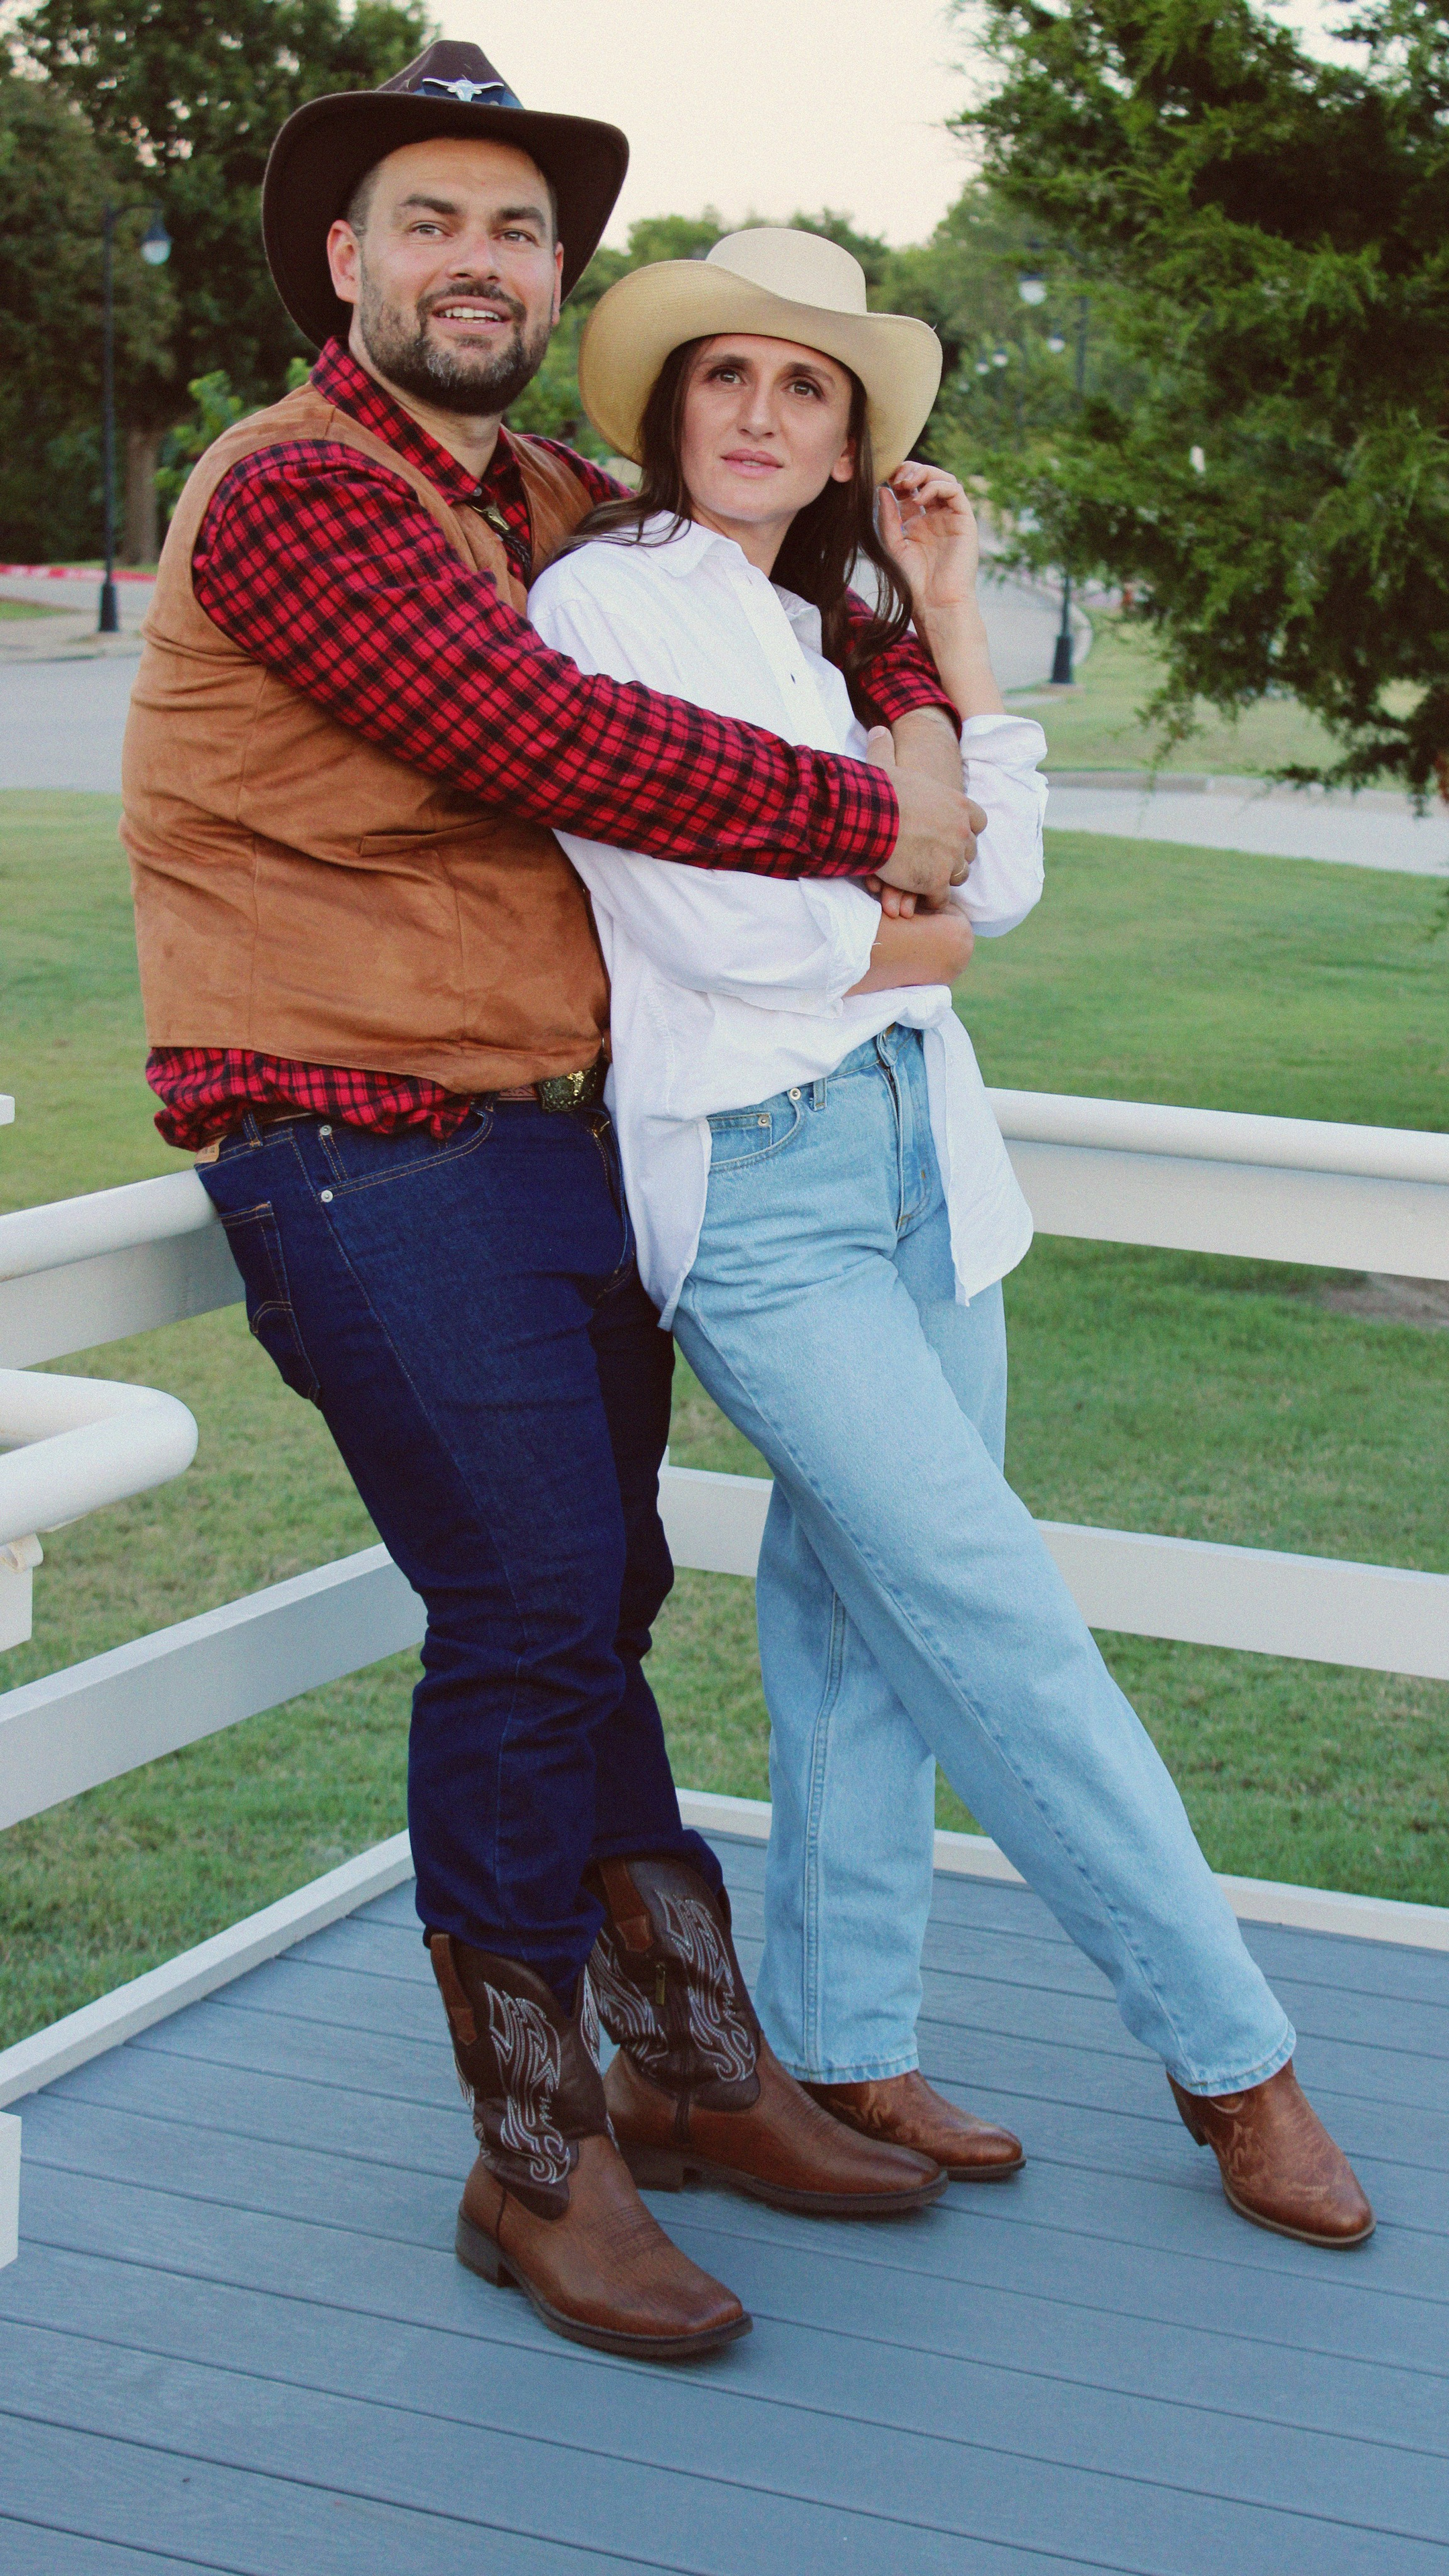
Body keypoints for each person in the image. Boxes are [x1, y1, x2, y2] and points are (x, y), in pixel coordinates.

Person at [123, 44, 979, 2367]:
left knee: (593, 1593)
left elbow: (813, 569)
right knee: (522, 1607)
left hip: (554, 1132)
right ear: (347, 260)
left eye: (517, 229)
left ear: (556, 272)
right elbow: (538, 738)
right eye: (431, 221)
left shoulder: (549, 494)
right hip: (356, 1136)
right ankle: (536, 2157)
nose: (478, 262)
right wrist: (867, 819)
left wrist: (911, 686)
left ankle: (690, 2067)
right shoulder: (296, 494)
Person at [531, 227, 1376, 2252]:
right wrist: (907, 927)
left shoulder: (834, 630)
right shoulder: (607, 603)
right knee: (997, 1616)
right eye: (728, 374)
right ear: (671, 409)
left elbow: (1001, 888)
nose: (761, 414)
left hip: (930, 1160)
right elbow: (726, 934)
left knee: (852, 1620)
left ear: (849, 443)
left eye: (807, 388)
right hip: (758, 1188)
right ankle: (1232, 2056)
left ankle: (843, 2042)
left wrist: (952, 615)